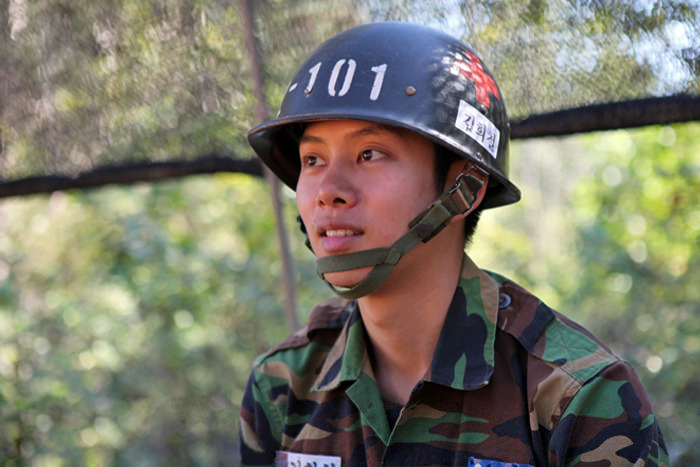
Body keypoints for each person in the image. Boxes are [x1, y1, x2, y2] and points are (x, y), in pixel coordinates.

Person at [239, 22, 668, 466]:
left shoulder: (582, 396)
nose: (328, 191)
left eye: (370, 154)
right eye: (312, 159)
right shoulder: (282, 386)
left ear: (465, 188)